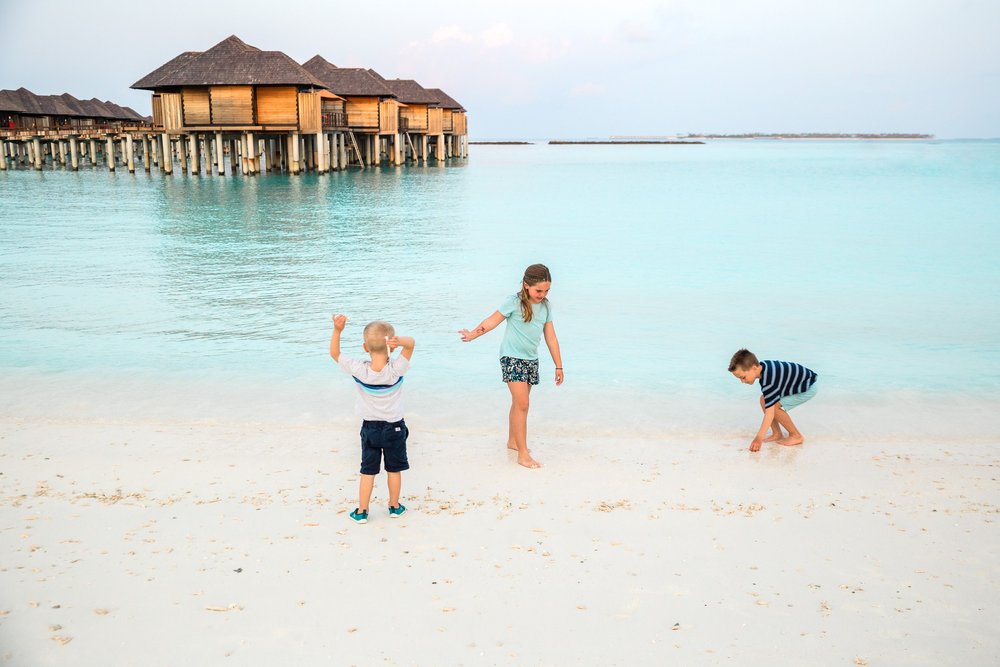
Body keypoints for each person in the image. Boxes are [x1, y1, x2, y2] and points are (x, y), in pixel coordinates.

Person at [459, 264, 564, 469]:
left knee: (519, 404)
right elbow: (492, 321)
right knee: (523, 404)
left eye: (547, 291)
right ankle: (523, 455)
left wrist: (558, 366)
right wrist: (472, 334)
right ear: (526, 285)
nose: (542, 295)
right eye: (538, 290)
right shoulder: (514, 302)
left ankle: (513, 442)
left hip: (531, 359)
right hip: (511, 357)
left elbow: (551, 337)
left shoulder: (546, 307)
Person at [330, 314, 415, 524]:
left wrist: (338, 330)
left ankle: (362, 510)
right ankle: (394, 506)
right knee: (394, 469)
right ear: (391, 346)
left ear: (365, 347)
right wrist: (399, 341)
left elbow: (335, 353)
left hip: (370, 429)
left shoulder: (359, 369)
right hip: (394, 427)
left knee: (367, 471)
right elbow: (411, 343)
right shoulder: (396, 369)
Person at [729, 348, 818, 452]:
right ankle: (777, 433)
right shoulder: (763, 367)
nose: (742, 381)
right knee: (764, 400)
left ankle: (796, 435)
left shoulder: (768, 380)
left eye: (743, 377)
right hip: (797, 383)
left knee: (773, 407)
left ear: (754, 368)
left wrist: (758, 438)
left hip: (807, 387)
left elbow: (770, 413)